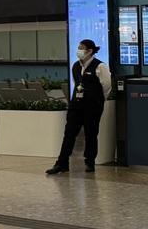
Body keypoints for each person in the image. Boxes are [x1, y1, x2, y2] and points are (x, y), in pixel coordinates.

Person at [47, 39, 111, 175]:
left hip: (92, 107)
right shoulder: (76, 66)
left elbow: (106, 86)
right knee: (69, 134)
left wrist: (98, 100)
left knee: (91, 134)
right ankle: (62, 163)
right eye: (78, 47)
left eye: (81, 48)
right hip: (76, 105)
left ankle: (90, 162)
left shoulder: (100, 66)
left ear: (90, 51)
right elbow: (77, 83)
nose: (79, 51)